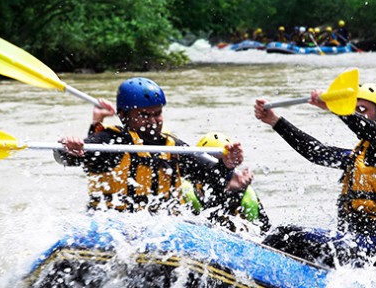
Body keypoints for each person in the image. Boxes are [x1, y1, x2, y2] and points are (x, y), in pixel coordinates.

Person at [253, 83, 376, 266]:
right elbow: (317, 153)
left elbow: (368, 129)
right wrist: (275, 121)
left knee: (285, 236)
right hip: (354, 244)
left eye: (362, 109)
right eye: (355, 109)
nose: (356, 113)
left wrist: (335, 107)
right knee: (286, 237)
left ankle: (252, 268)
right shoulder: (360, 156)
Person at [56, 77, 248, 214]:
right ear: (123, 116)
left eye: (157, 114)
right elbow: (68, 158)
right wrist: (69, 149)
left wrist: (227, 164)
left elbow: (213, 176)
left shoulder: (174, 147)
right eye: (144, 115)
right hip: (112, 224)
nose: (153, 121)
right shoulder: (112, 140)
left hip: (160, 229)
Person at [183, 131, 271, 234]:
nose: (217, 171)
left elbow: (266, 231)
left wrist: (232, 191)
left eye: (223, 165)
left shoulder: (244, 192)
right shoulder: (187, 188)